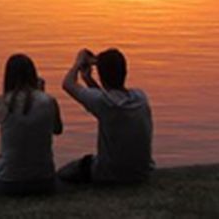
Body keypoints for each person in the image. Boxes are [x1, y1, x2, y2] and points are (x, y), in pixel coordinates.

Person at [59, 47, 153, 185]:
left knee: (63, 173)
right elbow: (105, 101)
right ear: (125, 72)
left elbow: (68, 84)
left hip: (110, 174)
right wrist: (88, 79)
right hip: (141, 173)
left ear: (102, 77)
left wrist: (78, 63)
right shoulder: (140, 97)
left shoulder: (104, 103)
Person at [0, 53, 64, 195]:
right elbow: (57, 129)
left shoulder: (1, 102)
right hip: (44, 181)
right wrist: (41, 93)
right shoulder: (49, 101)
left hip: (6, 182)